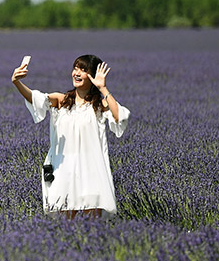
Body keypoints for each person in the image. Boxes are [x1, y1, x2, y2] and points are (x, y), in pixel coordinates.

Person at [11, 54, 130, 219]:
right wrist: (17, 82)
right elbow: (35, 98)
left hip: (91, 169)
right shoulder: (61, 100)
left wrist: (103, 88)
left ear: (93, 75)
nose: (77, 73)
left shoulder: (99, 105)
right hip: (64, 169)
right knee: (67, 219)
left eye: (83, 70)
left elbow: (119, 117)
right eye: (75, 68)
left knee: (92, 218)